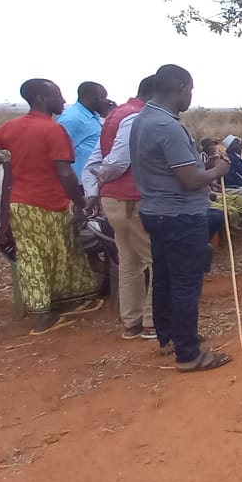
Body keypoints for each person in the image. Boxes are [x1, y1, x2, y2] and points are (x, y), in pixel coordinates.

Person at [0, 79, 99, 335]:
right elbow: (66, 174)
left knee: (34, 257)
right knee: (60, 254)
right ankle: (56, 309)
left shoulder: (13, 126)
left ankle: (47, 311)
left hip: (19, 204)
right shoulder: (52, 130)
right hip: (51, 202)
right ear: (41, 98)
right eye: (57, 95)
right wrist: (81, 204)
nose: (63, 101)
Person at [129, 64, 232, 372]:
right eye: (190, 90)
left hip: (155, 211)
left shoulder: (143, 119)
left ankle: (170, 338)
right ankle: (189, 355)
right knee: (186, 284)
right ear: (181, 89)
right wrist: (217, 171)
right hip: (180, 215)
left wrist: (205, 171)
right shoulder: (167, 127)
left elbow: (175, 171)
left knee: (165, 278)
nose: (191, 97)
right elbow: (188, 180)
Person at [81, 74, 157, 340]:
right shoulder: (137, 117)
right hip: (132, 199)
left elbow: (94, 158)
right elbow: (117, 162)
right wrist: (104, 175)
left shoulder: (116, 114)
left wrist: (93, 188)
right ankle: (151, 321)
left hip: (114, 200)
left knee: (129, 261)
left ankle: (132, 322)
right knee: (158, 259)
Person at [57, 81, 112, 177]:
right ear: (91, 97)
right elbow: (59, 152)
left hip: (91, 180)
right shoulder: (72, 118)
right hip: (78, 181)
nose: (107, 101)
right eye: (103, 97)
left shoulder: (93, 116)